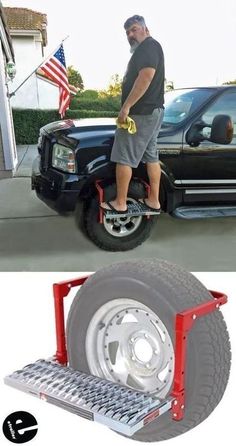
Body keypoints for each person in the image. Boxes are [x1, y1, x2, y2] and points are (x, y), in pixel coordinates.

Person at [101, 15, 165, 215]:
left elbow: (146, 77)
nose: (130, 34)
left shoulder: (148, 47)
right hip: (153, 111)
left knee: (124, 157)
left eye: (134, 29)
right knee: (151, 156)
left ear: (146, 29)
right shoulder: (151, 48)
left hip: (141, 113)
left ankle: (120, 203)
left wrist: (126, 107)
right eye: (127, 32)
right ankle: (153, 200)